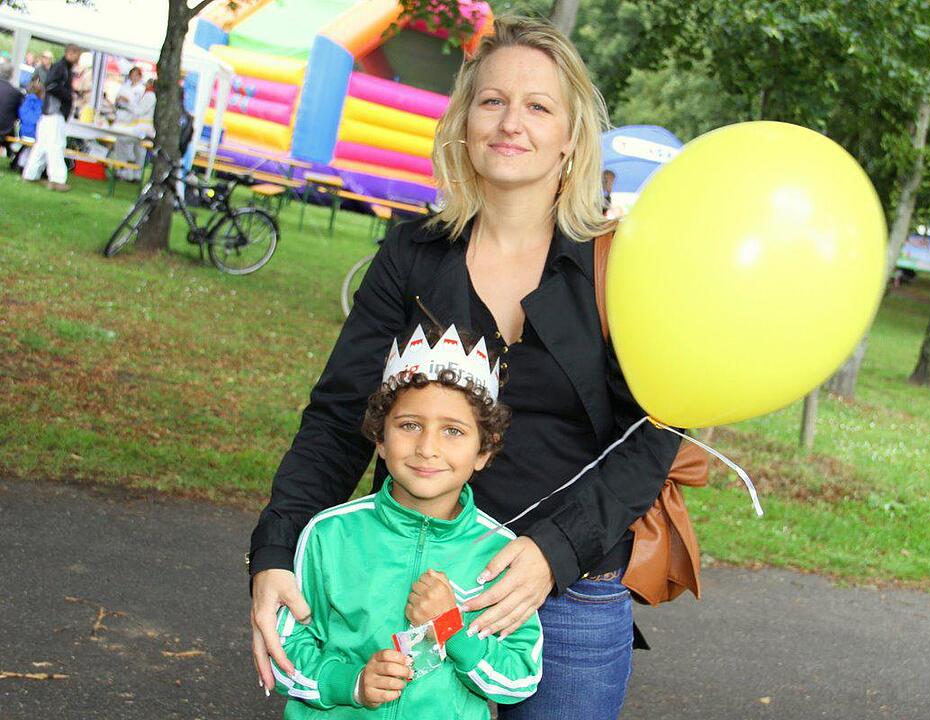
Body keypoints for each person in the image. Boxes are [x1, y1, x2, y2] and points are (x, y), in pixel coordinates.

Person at [249, 15, 681, 720]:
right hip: (403, 587)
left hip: (565, 596)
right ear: (464, 121)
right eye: (492, 101)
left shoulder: (620, 269)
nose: (512, 122)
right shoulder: (412, 254)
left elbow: (655, 433)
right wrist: (274, 552)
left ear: (572, 136)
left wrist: (553, 554)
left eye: (539, 106)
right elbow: (337, 418)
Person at [270, 324, 541, 718]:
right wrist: (352, 684)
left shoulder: (499, 553)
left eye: (453, 430)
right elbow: (284, 653)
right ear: (380, 439)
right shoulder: (329, 535)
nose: (427, 448)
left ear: (483, 451)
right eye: (409, 425)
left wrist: (451, 628)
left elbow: (520, 679)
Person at [22, 43, 79, 191]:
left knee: (42, 145)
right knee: (56, 145)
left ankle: (30, 174)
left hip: (49, 112)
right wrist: (69, 96)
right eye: (76, 54)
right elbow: (51, 85)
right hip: (55, 111)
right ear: (70, 53)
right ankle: (57, 179)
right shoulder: (61, 68)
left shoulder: (63, 68)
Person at [0, 62, 23, 160]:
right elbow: (19, 114)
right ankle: (11, 154)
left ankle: (11, 153)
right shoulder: (16, 93)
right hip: (5, 130)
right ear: (11, 75)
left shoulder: (16, 93)